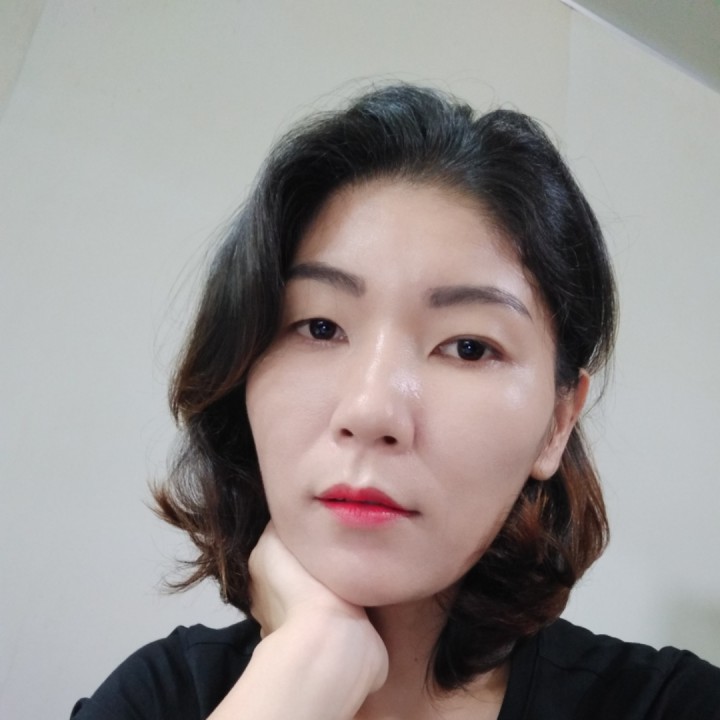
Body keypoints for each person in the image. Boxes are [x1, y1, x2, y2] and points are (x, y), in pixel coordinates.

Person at [70, 84, 720, 719]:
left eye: (468, 347)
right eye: (319, 327)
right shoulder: (158, 697)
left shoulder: (673, 704)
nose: (371, 411)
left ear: (557, 423)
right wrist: (306, 669)